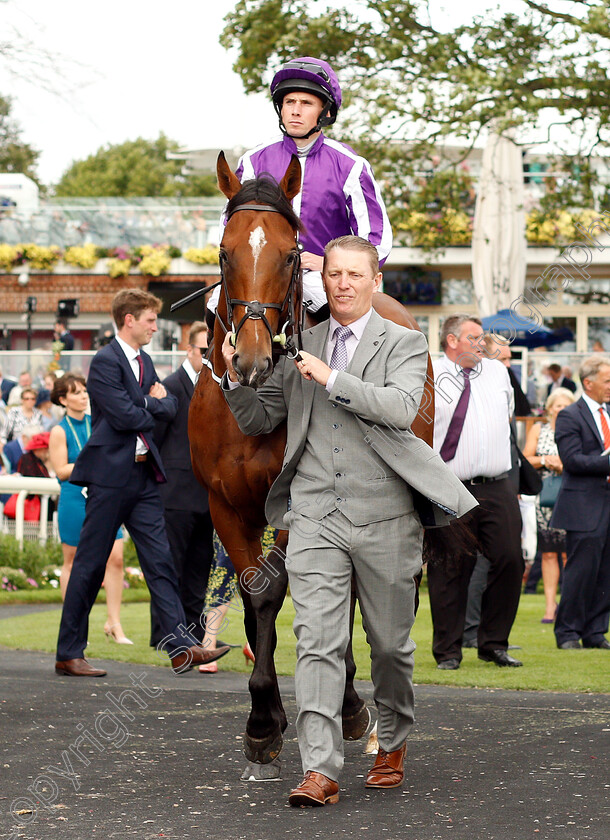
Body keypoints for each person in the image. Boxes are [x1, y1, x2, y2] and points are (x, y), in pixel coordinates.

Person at [221, 236, 476, 806]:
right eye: (333, 274)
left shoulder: (405, 343)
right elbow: (266, 417)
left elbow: (400, 408)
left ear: (374, 281)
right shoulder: (300, 343)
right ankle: (320, 769)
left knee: (389, 647)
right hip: (314, 514)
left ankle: (393, 741)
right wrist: (230, 379)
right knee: (315, 642)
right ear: (323, 280)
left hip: (385, 514)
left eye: (354, 274)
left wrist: (332, 379)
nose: (342, 284)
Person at [54, 288, 230, 677]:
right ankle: (69, 652)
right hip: (109, 479)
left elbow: (167, 410)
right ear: (129, 320)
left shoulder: (145, 361)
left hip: (144, 476)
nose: (155, 325)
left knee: (161, 562)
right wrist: (151, 403)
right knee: (90, 564)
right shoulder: (103, 362)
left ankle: (181, 647)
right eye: (150, 319)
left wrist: (148, 405)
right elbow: (125, 415)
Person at [208, 56, 392, 325]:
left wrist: (331, 266)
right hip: (262, 273)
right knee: (215, 305)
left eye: (306, 103)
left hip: (322, 276)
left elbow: (376, 239)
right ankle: (212, 368)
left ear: (324, 111)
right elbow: (231, 224)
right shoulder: (252, 161)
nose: (295, 110)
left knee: (334, 314)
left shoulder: (351, 165)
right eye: (289, 102)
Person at [428, 314, 524, 670]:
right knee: (449, 568)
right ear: (452, 340)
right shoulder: (431, 373)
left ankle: (494, 643)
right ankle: (449, 651)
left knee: (510, 559)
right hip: (448, 485)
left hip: (498, 484)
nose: (482, 344)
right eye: (474, 337)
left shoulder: (498, 372)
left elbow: (509, 423)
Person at [49, 373, 131, 644]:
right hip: (74, 497)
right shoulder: (59, 430)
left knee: (116, 557)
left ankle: (115, 623)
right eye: (76, 392)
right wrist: (92, 463)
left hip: (103, 494)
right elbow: (61, 471)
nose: (83, 395)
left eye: (84, 390)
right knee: (72, 561)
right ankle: (72, 623)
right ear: (63, 399)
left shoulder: (96, 421)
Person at [150, 321, 214, 647]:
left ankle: (195, 636)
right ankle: (166, 637)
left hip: (207, 495)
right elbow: (154, 441)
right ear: (188, 350)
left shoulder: (218, 386)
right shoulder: (169, 386)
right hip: (173, 493)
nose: (208, 356)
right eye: (204, 350)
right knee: (170, 567)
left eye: (213, 350)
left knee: (199, 571)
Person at [551, 355, 610, 650]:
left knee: (606, 572)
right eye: (607, 380)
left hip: (606, 505)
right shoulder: (570, 415)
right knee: (581, 571)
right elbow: (572, 461)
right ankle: (568, 632)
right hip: (584, 506)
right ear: (588, 382)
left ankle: (596, 631)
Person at [523, 388, 576, 622]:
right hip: (544, 499)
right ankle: (549, 607)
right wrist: (546, 460)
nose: (561, 410)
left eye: (566, 406)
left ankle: (569, 605)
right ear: (550, 408)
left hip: (573, 497)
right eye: (557, 406)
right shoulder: (539, 429)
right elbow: (525, 458)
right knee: (548, 554)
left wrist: (565, 465)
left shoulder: (577, 430)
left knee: (569, 554)